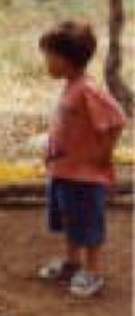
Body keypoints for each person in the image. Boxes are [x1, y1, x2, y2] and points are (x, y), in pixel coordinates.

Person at [36, 20, 127, 297]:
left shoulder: (88, 89)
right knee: (69, 218)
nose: (46, 63)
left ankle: (93, 271)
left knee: (87, 221)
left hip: (85, 175)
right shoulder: (71, 86)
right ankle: (73, 262)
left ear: (66, 59)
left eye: (50, 56)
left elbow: (117, 120)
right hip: (64, 171)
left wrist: (103, 155)